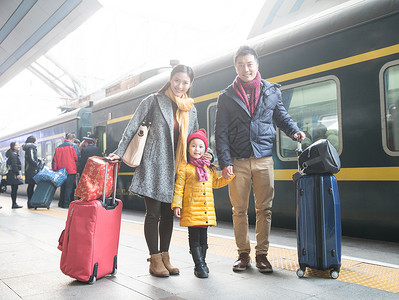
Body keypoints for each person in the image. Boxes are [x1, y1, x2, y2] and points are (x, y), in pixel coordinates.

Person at [109, 64, 212, 277]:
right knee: (153, 213)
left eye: (185, 82)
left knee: (168, 215)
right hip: (154, 165)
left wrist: (207, 155)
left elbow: (196, 138)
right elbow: (132, 126)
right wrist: (119, 152)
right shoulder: (153, 101)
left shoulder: (191, 109)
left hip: (177, 168)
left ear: (190, 84)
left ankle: (166, 257)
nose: (180, 86)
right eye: (177, 80)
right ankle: (154, 259)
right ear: (170, 79)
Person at [215, 45, 305, 273]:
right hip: (237, 160)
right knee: (239, 209)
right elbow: (221, 133)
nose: (246, 69)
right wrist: (225, 163)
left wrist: (294, 131)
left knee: (265, 208)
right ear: (235, 67)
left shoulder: (272, 91)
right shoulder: (226, 97)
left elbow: (282, 117)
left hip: (263, 157)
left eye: (249, 64)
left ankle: (262, 255)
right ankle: (243, 254)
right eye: (240, 65)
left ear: (257, 65)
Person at [172, 129, 234, 278]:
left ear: (205, 149)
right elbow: (179, 189)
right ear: (188, 148)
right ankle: (199, 265)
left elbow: (216, 184)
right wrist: (177, 205)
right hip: (191, 210)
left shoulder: (209, 168)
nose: (197, 149)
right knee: (194, 239)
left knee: (204, 240)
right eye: (193, 146)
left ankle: (202, 262)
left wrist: (228, 177)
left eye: (200, 147)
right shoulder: (184, 168)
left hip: (206, 210)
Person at [52, 133, 80, 208]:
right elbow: (77, 157)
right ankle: (66, 204)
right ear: (73, 139)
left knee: (63, 187)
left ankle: (61, 203)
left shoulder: (58, 147)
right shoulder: (73, 146)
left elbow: (54, 160)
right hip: (70, 170)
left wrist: (55, 170)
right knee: (69, 188)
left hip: (61, 171)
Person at [22, 136, 43, 208]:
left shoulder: (29, 147)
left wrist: (38, 159)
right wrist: (37, 164)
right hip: (32, 170)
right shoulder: (31, 147)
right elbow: (31, 158)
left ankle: (31, 201)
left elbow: (31, 158)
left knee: (31, 186)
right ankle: (31, 202)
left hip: (30, 170)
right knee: (31, 186)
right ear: (33, 140)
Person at [6, 142, 23, 209]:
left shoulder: (11, 153)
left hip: (11, 173)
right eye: (16, 145)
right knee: (14, 189)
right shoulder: (13, 154)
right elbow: (14, 164)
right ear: (13, 146)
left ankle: (14, 203)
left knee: (14, 189)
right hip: (13, 174)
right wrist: (17, 174)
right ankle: (14, 203)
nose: (18, 146)